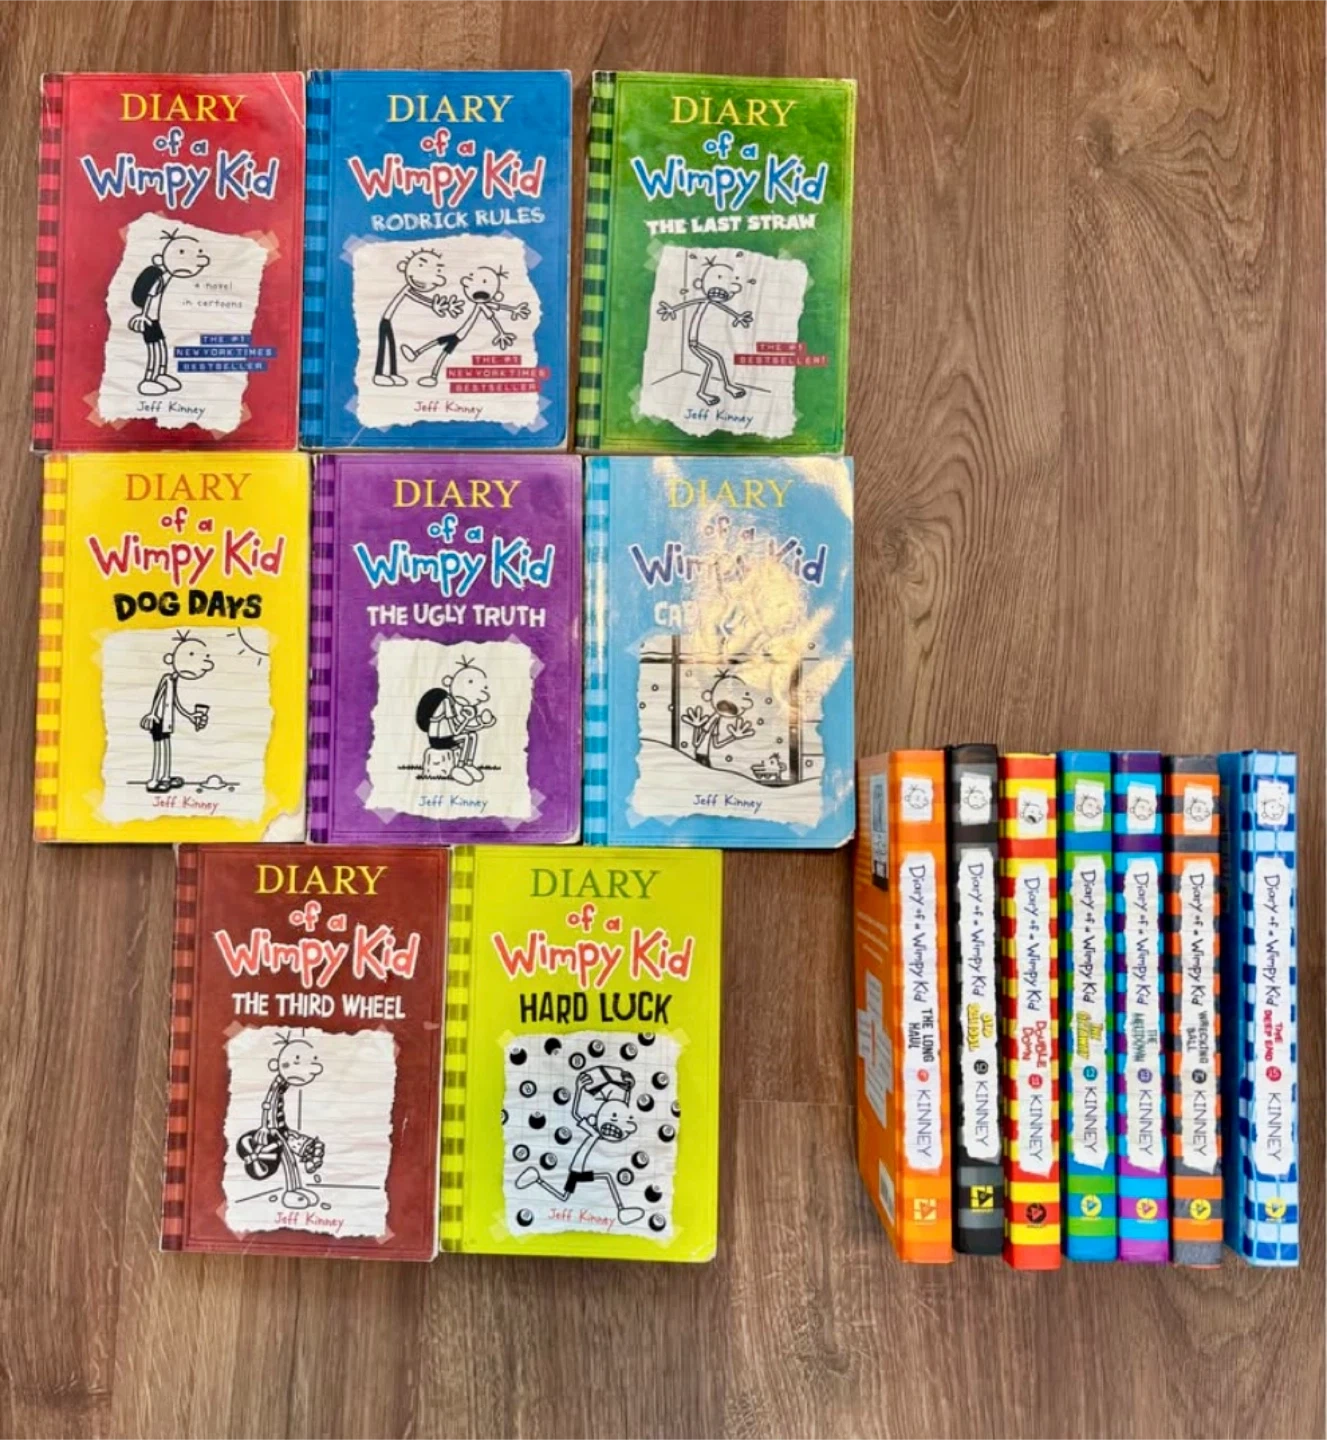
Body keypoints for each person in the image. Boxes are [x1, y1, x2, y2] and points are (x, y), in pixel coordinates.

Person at [127, 230, 211, 396]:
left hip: (156, 321)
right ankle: (149, 379)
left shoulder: (167, 278)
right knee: (154, 350)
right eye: (182, 253)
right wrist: (143, 316)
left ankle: (160, 374)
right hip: (149, 321)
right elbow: (149, 299)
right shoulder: (158, 280)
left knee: (161, 348)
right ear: (160, 259)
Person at [140, 631, 212, 793]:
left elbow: (175, 702)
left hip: (167, 720)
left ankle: (166, 777)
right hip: (158, 719)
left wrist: (190, 716)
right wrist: (152, 713)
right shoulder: (167, 678)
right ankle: (154, 780)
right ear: (171, 659)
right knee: (159, 748)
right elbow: (159, 695)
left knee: (166, 746)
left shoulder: (174, 680)